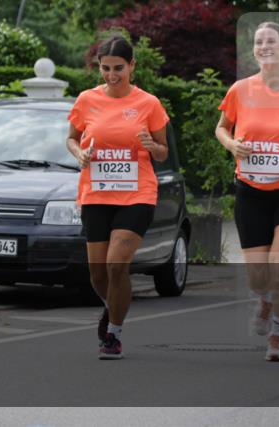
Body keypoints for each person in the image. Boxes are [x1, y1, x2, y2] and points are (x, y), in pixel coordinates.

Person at [66, 35, 170, 359]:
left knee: (115, 265)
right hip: (96, 193)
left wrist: (152, 147)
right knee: (98, 273)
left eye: (118, 68)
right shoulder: (86, 100)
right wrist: (79, 153)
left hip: (137, 193)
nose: (112, 75)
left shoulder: (149, 103)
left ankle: (113, 334)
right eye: (105, 68)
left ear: (132, 66)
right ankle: (116, 305)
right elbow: (71, 139)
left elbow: (164, 152)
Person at [215, 21, 279, 362]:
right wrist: (232, 145)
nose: (264, 45)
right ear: (254, 49)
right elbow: (222, 128)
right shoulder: (240, 90)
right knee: (257, 277)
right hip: (251, 192)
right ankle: (264, 300)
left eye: (271, 40)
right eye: (258, 41)